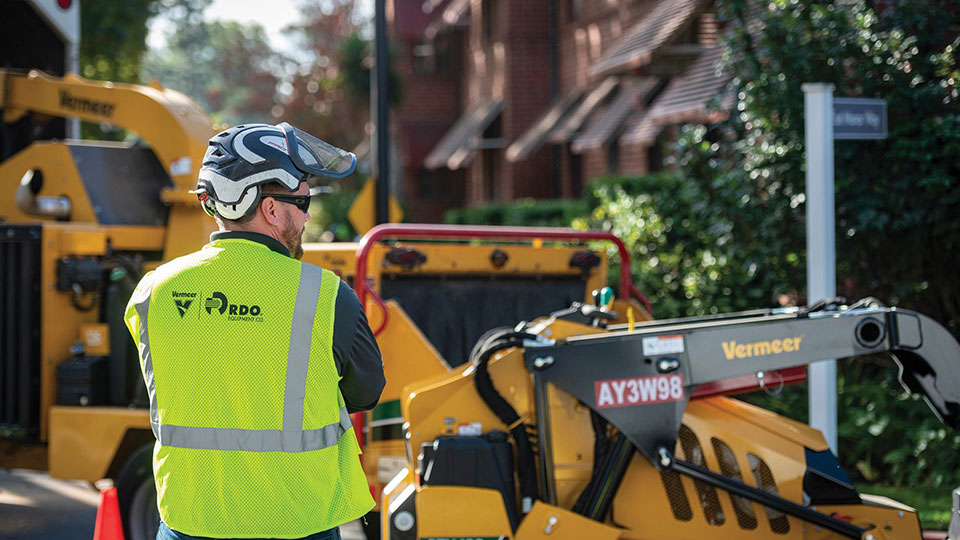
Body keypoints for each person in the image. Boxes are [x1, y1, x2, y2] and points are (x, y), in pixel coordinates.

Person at [124, 122, 385, 540]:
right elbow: (366, 393)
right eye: (303, 200)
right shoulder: (328, 295)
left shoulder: (152, 291)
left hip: (189, 524)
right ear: (270, 208)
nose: (306, 214)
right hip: (300, 524)